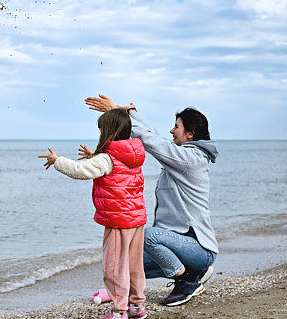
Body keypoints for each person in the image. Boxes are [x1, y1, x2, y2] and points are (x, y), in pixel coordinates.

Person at [85, 95, 218, 307]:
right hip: (181, 243)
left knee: (147, 235)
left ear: (190, 134)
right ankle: (123, 292)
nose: (172, 131)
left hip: (199, 248)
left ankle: (186, 280)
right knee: (128, 263)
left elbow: (153, 142)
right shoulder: (182, 155)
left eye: (176, 127)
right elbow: (157, 138)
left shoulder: (190, 160)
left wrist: (117, 115)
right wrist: (132, 114)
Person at [39, 108, 148, 319]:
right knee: (135, 265)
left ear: (108, 131)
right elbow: (112, 170)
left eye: (101, 130)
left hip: (119, 221)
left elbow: (81, 171)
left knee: (115, 266)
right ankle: (136, 305)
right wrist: (94, 157)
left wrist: (57, 160)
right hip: (137, 219)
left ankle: (119, 313)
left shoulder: (108, 158)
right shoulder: (132, 155)